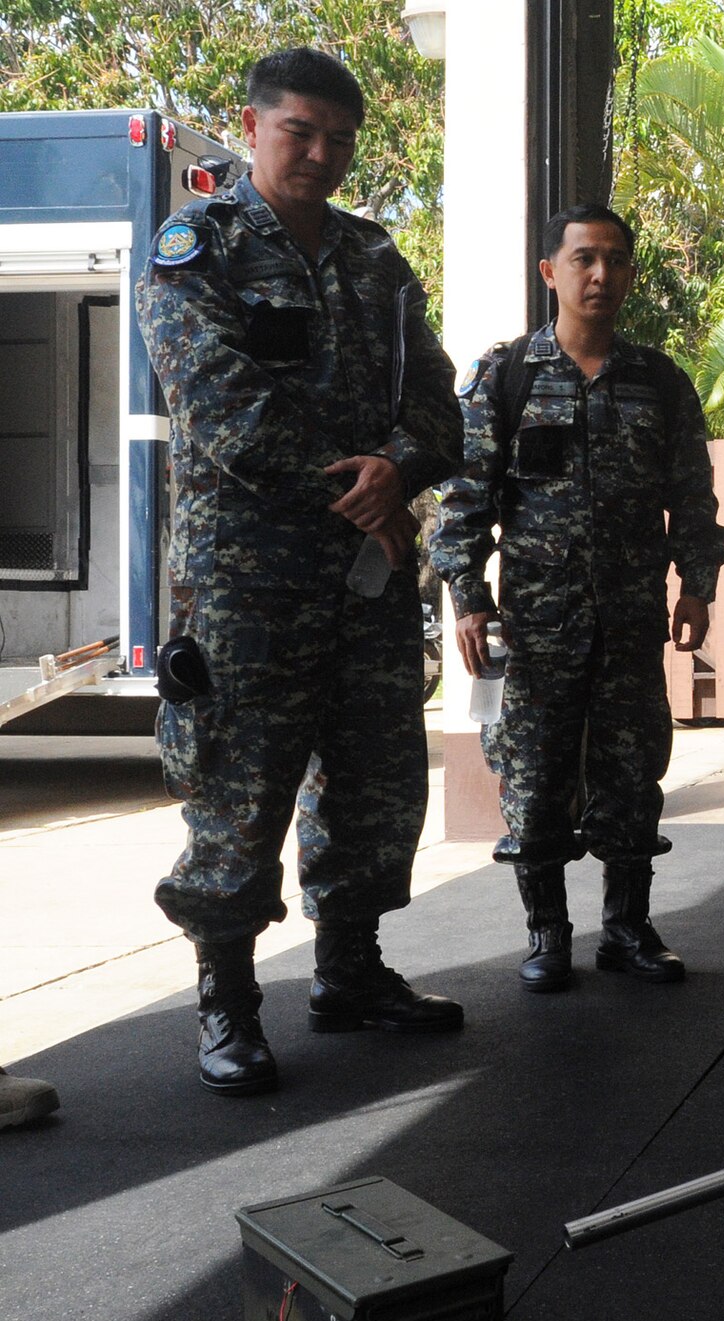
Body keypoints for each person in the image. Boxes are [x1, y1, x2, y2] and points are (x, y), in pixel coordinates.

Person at [137, 48, 465, 1097]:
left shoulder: (376, 259)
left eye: (339, 139)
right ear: (252, 126)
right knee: (240, 787)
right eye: (300, 132)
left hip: (367, 578)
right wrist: (362, 487)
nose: (321, 154)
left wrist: (399, 466)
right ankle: (228, 1001)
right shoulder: (199, 248)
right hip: (249, 584)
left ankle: (350, 970)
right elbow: (220, 405)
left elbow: (438, 402)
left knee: (374, 782)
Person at [432, 205, 724, 994]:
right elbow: (466, 498)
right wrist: (468, 598)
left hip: (630, 620)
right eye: (584, 259)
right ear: (551, 272)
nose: (601, 275)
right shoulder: (508, 376)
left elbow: (691, 497)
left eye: (616, 260)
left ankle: (627, 929)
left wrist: (697, 586)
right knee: (533, 778)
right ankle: (547, 933)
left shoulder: (658, 381)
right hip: (538, 625)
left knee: (633, 774)